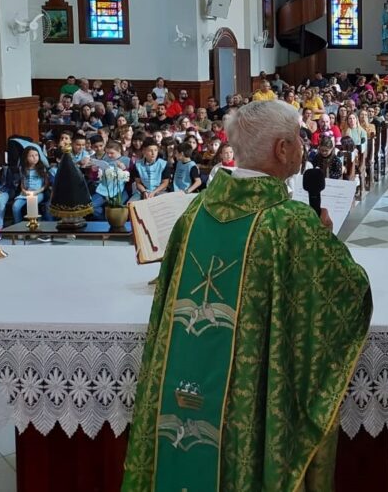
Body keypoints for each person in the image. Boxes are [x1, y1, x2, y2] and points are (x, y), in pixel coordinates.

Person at [122, 100, 372, 492]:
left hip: (186, 386)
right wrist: (324, 240)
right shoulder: (288, 222)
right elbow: (349, 292)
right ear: (282, 149)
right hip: (247, 404)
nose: (303, 148)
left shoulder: (193, 215)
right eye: (297, 140)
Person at [12, 147, 50, 223]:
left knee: (32, 204)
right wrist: (23, 190)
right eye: (31, 156)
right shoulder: (22, 168)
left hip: (38, 193)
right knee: (15, 207)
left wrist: (38, 191)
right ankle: (18, 228)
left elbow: (46, 184)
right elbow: (22, 182)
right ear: (26, 157)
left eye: (36, 155)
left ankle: (35, 224)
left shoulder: (42, 168)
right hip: (25, 193)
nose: (34, 158)